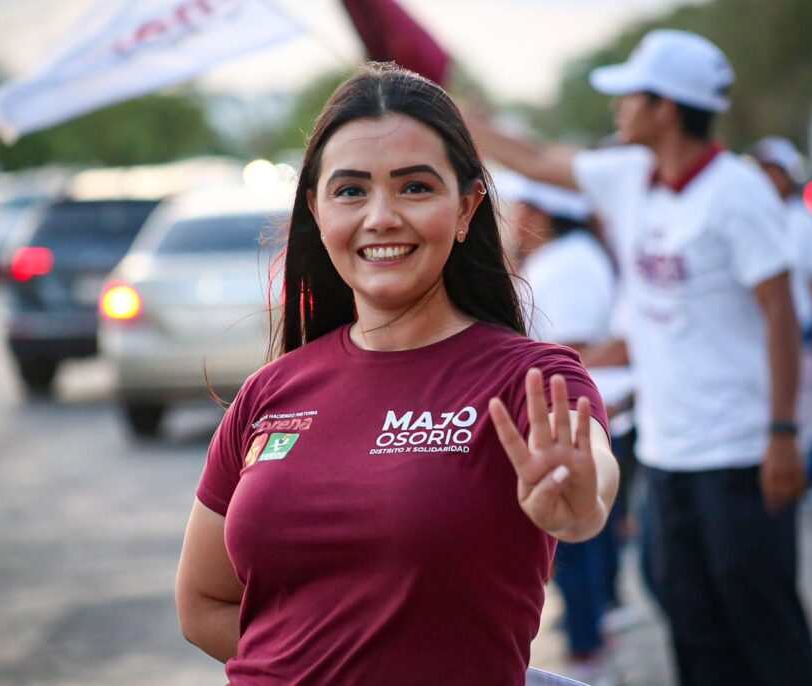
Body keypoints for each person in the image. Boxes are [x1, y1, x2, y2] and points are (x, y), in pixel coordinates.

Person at [175, 62, 620, 686]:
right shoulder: (270, 392)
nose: (381, 216)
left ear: (467, 207)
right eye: (351, 190)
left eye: (414, 187)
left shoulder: (532, 378)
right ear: (317, 210)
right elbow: (203, 605)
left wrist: (581, 508)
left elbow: (590, 477)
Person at [465, 29, 812, 686]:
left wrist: (783, 434)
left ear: (666, 106)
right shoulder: (632, 180)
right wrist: (452, 108)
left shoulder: (737, 193)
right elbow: (538, 158)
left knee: (761, 621)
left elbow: (780, 314)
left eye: (629, 97)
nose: (618, 109)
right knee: (688, 617)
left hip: (740, 451)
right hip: (668, 452)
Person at [500, 175, 620, 684]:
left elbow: (568, 346)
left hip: (572, 417)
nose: (516, 220)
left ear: (545, 215)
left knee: (579, 538)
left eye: (524, 209)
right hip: (580, 413)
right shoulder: (574, 256)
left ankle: (587, 642)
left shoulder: (564, 264)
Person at [752, 136, 812, 509]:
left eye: (776, 171)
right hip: (761, 334)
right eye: (763, 170)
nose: (770, 179)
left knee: (810, 412)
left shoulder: (804, 221)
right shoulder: (753, 217)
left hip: (799, 330)